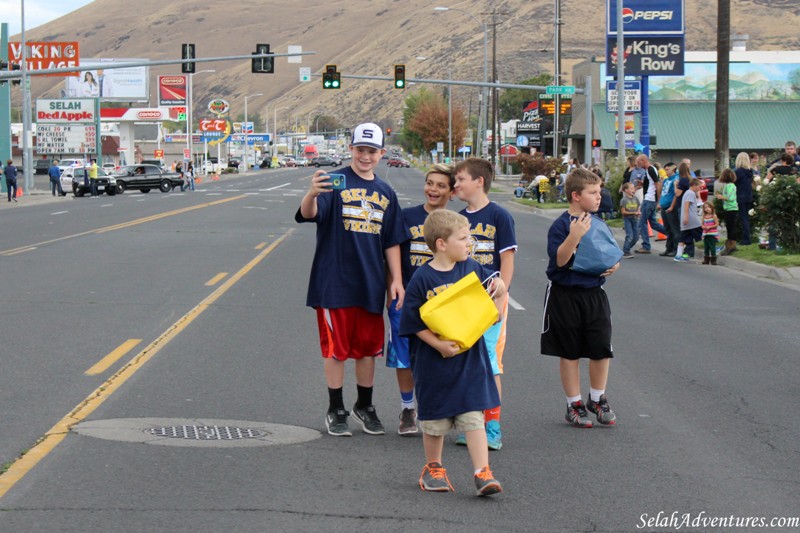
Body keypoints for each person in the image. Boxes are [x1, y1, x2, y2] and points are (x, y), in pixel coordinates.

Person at [296, 122, 406, 437]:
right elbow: (309, 213)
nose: (366, 156)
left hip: (370, 282)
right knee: (336, 349)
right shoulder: (334, 181)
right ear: (351, 149)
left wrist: (395, 280)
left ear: (382, 153)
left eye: (372, 151)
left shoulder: (386, 192)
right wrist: (312, 193)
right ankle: (336, 408)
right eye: (360, 150)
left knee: (368, 349)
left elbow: (391, 240)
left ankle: (364, 405)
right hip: (335, 281)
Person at [399, 209, 504, 496]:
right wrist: (438, 344)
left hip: (470, 360)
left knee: (473, 417)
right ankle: (433, 467)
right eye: (463, 238)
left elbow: (494, 289)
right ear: (442, 244)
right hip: (434, 365)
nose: (469, 243)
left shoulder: (471, 268)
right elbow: (412, 322)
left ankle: (482, 472)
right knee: (435, 422)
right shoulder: (422, 277)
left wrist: (499, 288)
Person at [541, 168, 619, 428]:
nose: (599, 197)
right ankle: (573, 403)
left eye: (599, 192)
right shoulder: (561, 225)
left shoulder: (599, 223)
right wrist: (574, 237)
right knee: (570, 351)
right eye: (593, 193)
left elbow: (610, 254)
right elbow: (560, 261)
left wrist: (613, 266)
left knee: (600, 348)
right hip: (565, 294)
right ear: (576, 195)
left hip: (594, 293)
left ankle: (597, 398)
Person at [453, 157, 517, 450]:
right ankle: (471, 423)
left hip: (490, 301)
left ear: (479, 181)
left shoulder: (499, 216)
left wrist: (501, 296)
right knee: (466, 362)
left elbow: (507, 260)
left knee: (490, 362)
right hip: (463, 301)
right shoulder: (458, 219)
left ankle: (492, 426)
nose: (456, 185)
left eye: (461, 179)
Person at [387, 163, 454, 436]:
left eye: (440, 185)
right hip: (408, 299)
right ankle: (407, 408)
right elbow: (392, 251)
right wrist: (395, 284)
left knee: (443, 353)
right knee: (404, 356)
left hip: (444, 301)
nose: (433, 189)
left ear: (452, 191)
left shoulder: (455, 222)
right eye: (430, 183)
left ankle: (438, 408)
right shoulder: (407, 216)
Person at [633, 154, 666, 254]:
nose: (637, 164)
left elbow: (657, 184)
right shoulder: (649, 170)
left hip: (649, 199)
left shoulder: (651, 169)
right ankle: (672, 234)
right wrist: (642, 183)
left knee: (642, 222)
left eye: (638, 162)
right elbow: (652, 183)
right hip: (650, 199)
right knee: (653, 223)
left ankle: (646, 246)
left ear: (643, 160)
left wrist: (658, 200)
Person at [675, 178, 703, 262]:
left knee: (683, 238)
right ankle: (711, 246)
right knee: (702, 233)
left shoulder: (687, 193)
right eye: (699, 186)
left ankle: (678, 255)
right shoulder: (691, 193)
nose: (699, 188)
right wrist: (686, 217)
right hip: (692, 221)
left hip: (687, 222)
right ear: (694, 185)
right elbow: (687, 205)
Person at [658, 162, 679, 256]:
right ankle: (668, 248)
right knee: (667, 229)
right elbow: (662, 192)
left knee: (674, 228)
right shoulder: (666, 180)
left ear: (673, 169)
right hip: (664, 206)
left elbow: (675, 194)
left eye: (668, 169)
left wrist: (672, 206)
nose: (666, 171)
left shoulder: (676, 179)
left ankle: (676, 249)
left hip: (671, 207)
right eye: (665, 169)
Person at [734, 152, 754, 246]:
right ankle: (747, 237)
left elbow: (734, 183)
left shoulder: (738, 172)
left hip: (741, 196)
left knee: (743, 218)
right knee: (746, 218)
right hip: (749, 196)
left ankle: (746, 239)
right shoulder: (750, 171)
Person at [619, 182, 640, 258]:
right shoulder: (624, 200)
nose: (633, 189)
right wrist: (634, 212)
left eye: (633, 188)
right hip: (627, 219)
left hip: (635, 219)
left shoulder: (636, 199)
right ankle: (626, 251)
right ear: (626, 190)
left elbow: (638, 208)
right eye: (631, 188)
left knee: (636, 237)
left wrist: (638, 212)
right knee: (629, 236)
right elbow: (623, 212)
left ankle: (627, 248)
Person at [701, 201, 720, 265]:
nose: (707, 209)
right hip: (706, 234)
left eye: (708, 207)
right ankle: (706, 259)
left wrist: (710, 227)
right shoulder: (704, 216)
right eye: (705, 207)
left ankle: (713, 259)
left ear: (712, 208)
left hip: (712, 234)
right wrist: (703, 227)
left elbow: (717, 224)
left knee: (712, 247)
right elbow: (702, 224)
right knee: (706, 247)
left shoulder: (713, 216)